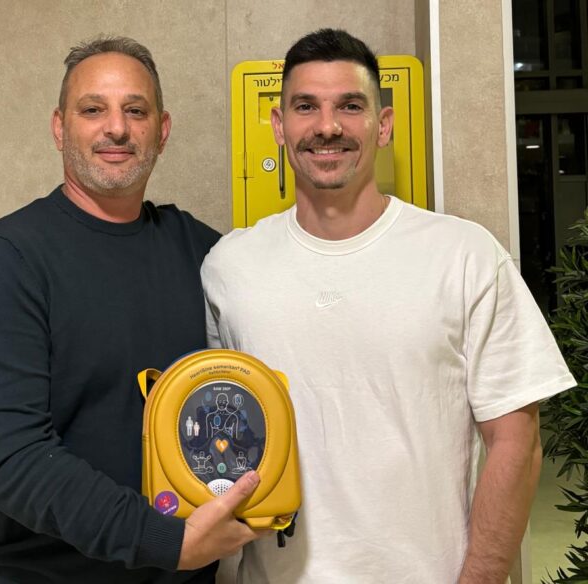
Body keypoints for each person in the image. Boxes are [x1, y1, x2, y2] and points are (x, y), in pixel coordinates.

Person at [202, 28, 576, 584]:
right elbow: (223, 439)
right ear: (279, 126)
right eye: (306, 106)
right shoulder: (230, 268)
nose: (327, 126)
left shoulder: (464, 255)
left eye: (349, 106)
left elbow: (515, 442)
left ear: (383, 125)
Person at [0, 36, 263, 584]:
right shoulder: (5, 260)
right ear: (59, 127)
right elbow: (16, 461)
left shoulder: (204, 252)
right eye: (93, 109)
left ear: (162, 130)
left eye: (135, 111)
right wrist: (163, 541)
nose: (116, 128)